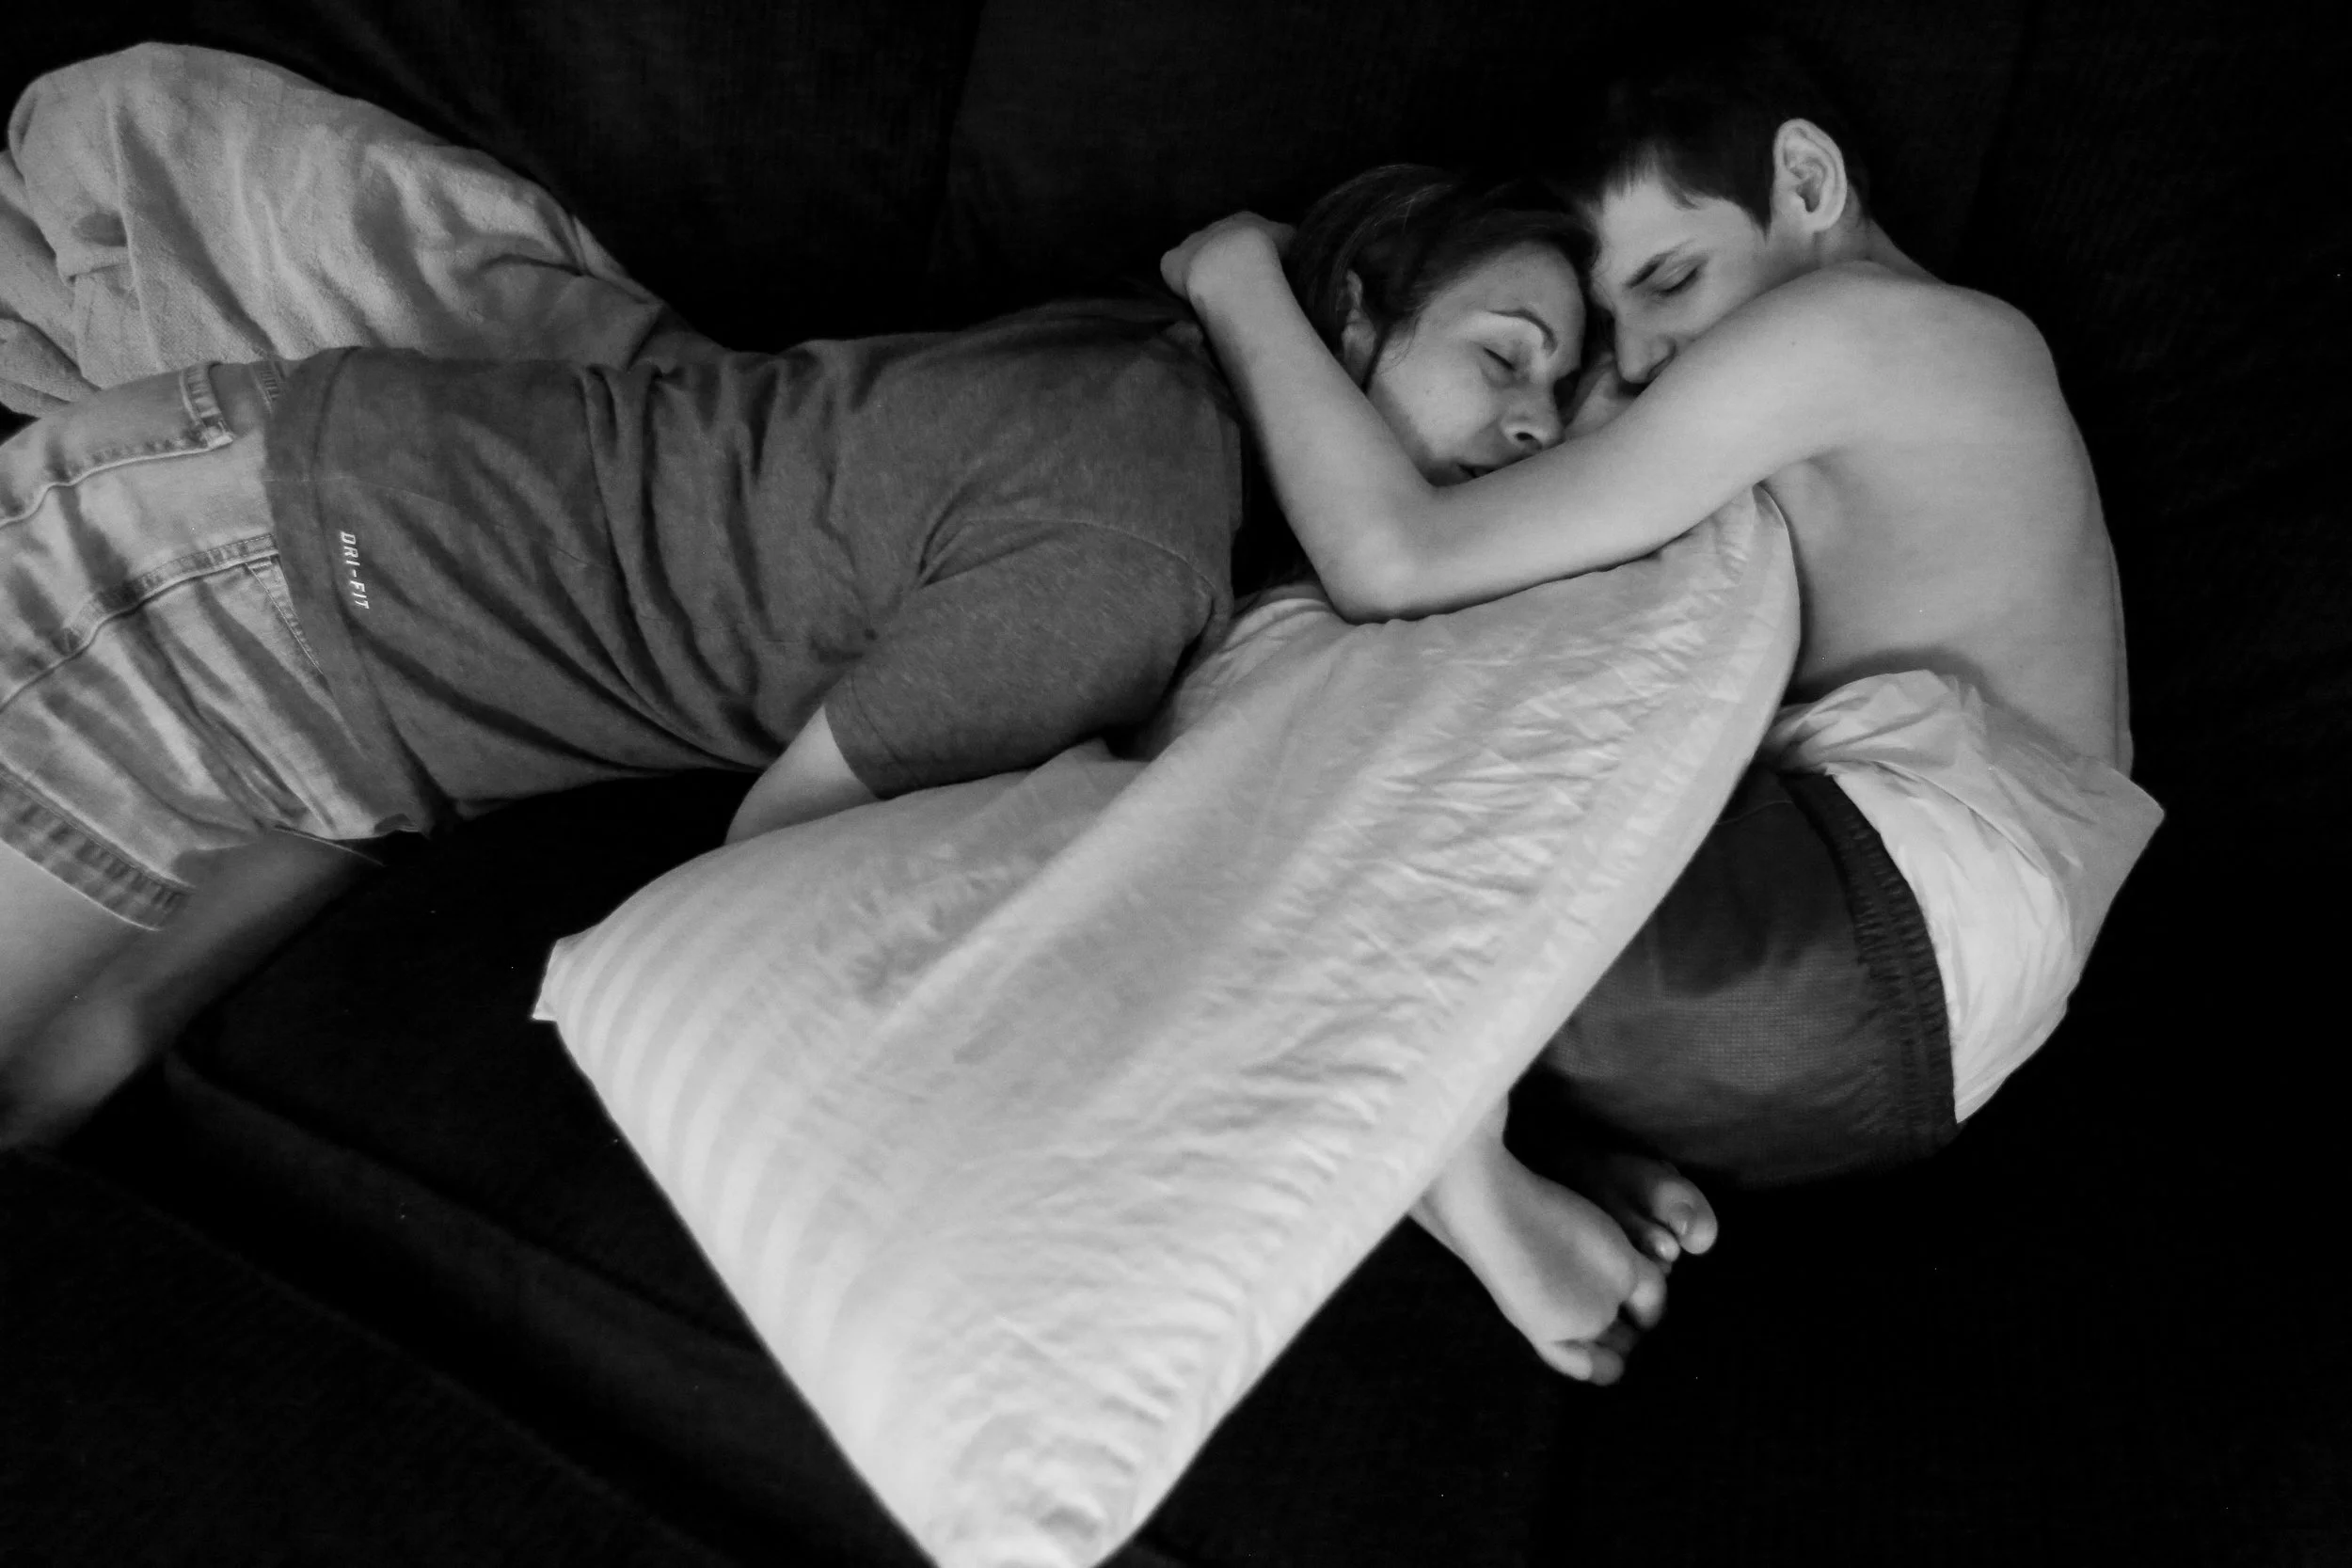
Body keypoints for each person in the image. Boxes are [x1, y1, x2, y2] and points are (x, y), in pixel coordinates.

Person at [0, 164, 1590, 1150]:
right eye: (1504, 359)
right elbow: (778, 857)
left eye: (1565, 406)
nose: (1533, 429)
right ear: (1354, 322)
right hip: (238, 593)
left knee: (64, 1094)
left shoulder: (1145, 381)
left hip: (318, 611)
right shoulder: (1131, 545)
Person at [1163, 28, 2163, 1383]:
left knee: (1254, 733)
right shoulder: (1917, 385)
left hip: (1854, 937)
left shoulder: (1866, 331)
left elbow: (1397, 559)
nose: (1644, 362)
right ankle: (1520, 1137)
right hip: (1880, 1046)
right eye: (1617, 333)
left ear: (1806, 182)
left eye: (1672, 278)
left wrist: (1237, 281)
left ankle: (1449, 1170)